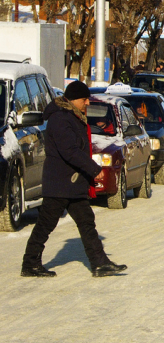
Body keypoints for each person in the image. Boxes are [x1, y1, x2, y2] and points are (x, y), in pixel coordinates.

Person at [21, 81, 127, 278]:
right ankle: (30, 264)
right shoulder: (61, 119)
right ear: (72, 99)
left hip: (72, 182)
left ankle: (100, 263)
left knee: (86, 221)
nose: (87, 103)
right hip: (61, 182)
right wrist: (94, 170)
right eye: (84, 99)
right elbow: (69, 151)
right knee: (46, 223)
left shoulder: (72, 116)